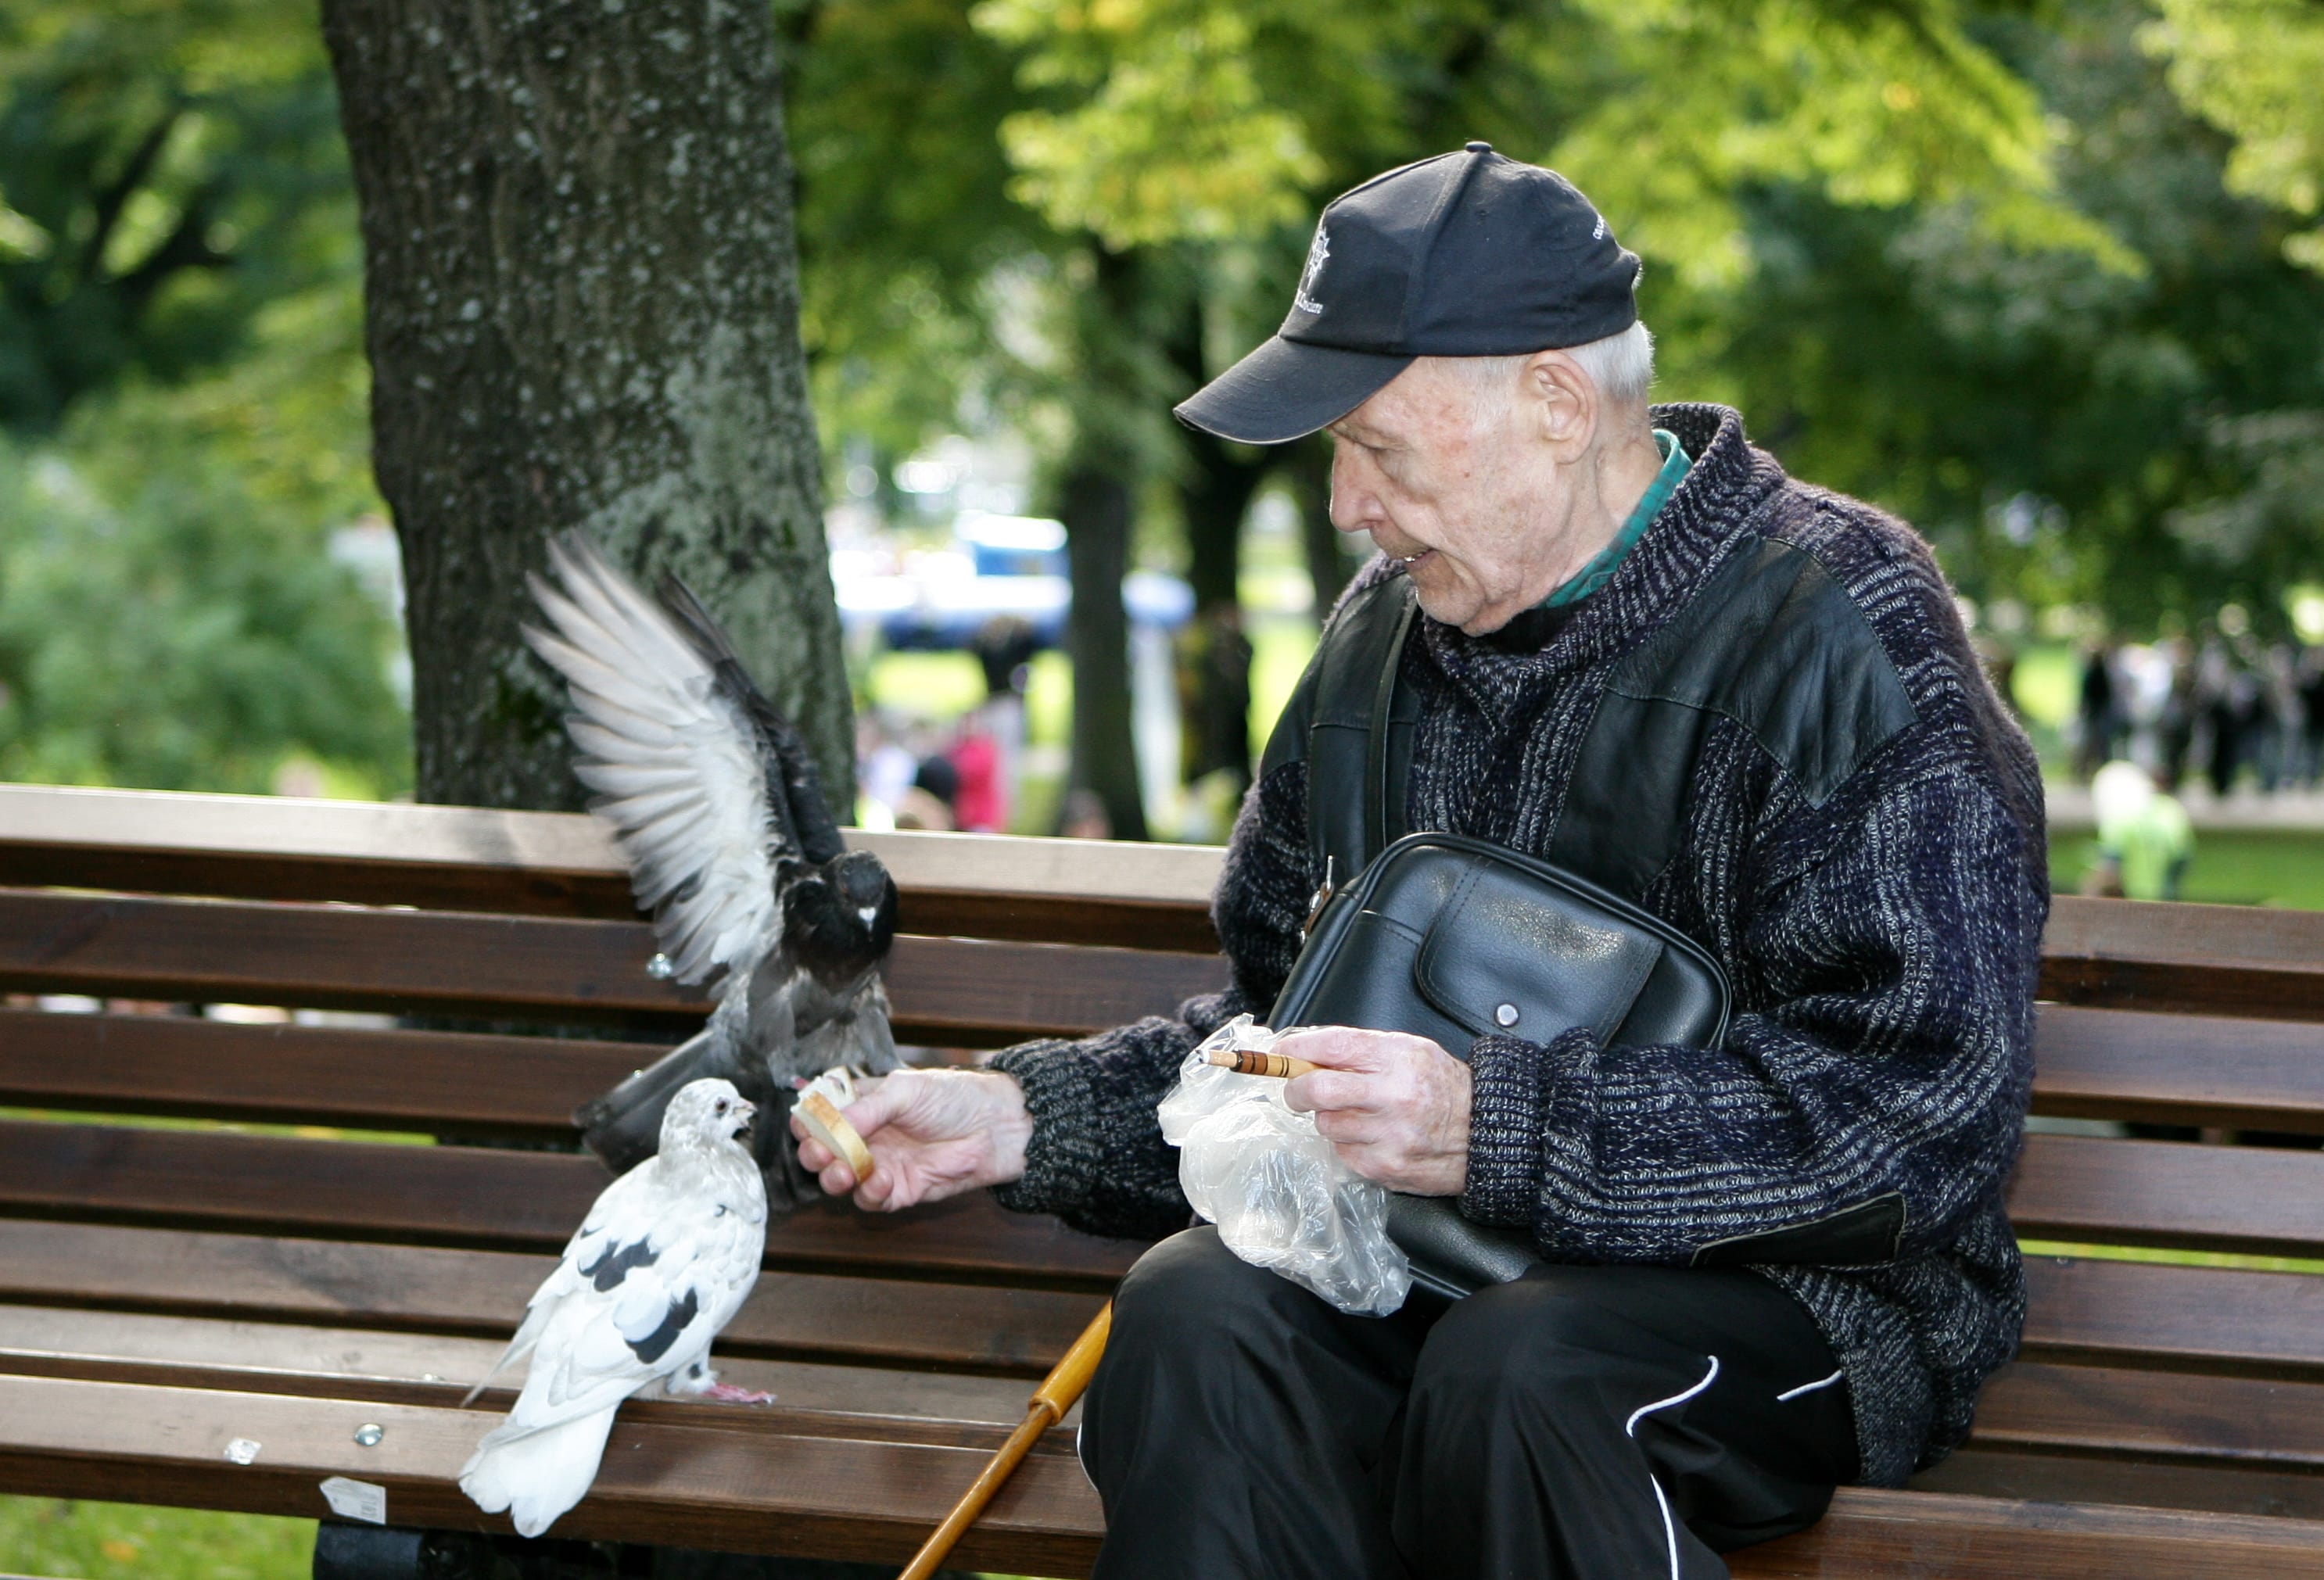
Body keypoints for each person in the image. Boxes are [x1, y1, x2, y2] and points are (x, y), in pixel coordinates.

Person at [794, 147, 2046, 1580]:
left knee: (1528, 1373)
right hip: (1417, 1263)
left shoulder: (1840, 628)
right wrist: (1023, 1116)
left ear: (1559, 407)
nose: (1343, 504)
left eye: (1378, 447)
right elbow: (1281, 1036)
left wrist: (1502, 1130)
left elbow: (1926, 1110)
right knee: (1197, 1314)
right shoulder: (1376, 641)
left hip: (1802, 1304)